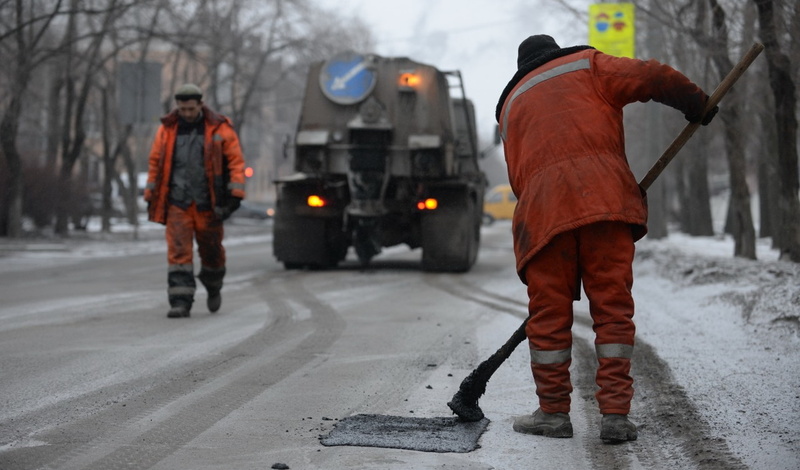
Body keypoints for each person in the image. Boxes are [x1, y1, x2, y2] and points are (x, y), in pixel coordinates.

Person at [496, 35, 717, 443]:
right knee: (613, 307)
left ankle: (552, 413)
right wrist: (696, 103)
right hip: (605, 200)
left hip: (542, 215)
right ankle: (615, 416)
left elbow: (517, 178)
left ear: (521, 67)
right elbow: (651, 76)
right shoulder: (587, 66)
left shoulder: (509, 107)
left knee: (548, 317)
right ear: (555, 51)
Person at [144, 83, 246, 319]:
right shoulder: (167, 130)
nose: (187, 114)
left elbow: (235, 163)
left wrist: (234, 197)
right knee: (179, 253)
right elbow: (155, 163)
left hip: (208, 204)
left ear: (200, 104)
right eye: (182, 109)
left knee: (211, 251)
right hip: (178, 203)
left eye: (191, 109)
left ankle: (213, 283)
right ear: (177, 107)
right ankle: (180, 301)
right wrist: (151, 195)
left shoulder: (220, 128)